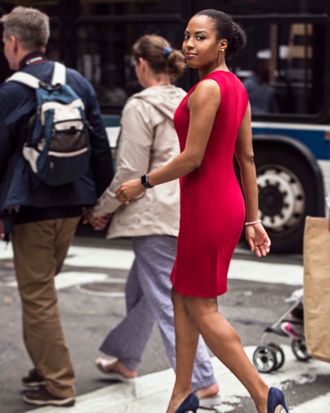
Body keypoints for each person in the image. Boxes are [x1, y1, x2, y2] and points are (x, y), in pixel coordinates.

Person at [115, 9, 289, 413]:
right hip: (223, 204)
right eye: (187, 37)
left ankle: (264, 394)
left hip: (208, 206)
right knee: (180, 295)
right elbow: (246, 159)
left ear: (222, 44)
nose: (189, 45)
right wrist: (253, 218)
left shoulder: (209, 89)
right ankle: (181, 395)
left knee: (202, 308)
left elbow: (191, 159)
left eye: (200, 37)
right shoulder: (237, 88)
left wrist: (141, 183)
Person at [89, 34, 220, 408]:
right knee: (143, 289)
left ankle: (202, 378)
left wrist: (101, 210)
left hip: (155, 213)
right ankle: (126, 358)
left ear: (141, 66)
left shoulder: (139, 106)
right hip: (191, 210)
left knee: (165, 296)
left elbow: (129, 170)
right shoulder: (191, 100)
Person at [0, 6, 113, 407]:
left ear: (14, 42)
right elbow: (99, 145)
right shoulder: (77, 81)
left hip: (32, 208)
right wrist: (98, 201)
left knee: (38, 296)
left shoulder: (14, 89)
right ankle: (42, 366)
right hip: (72, 206)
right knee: (42, 292)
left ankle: (59, 384)